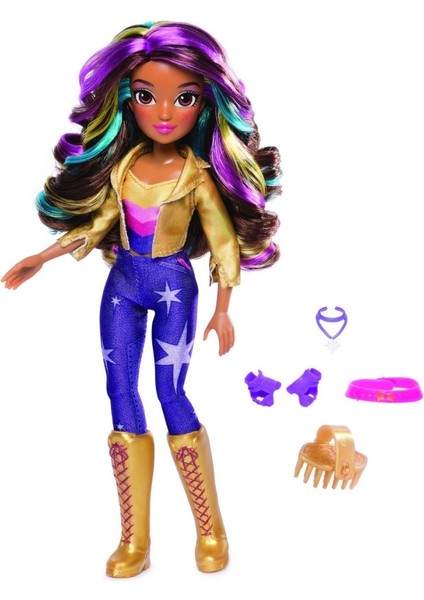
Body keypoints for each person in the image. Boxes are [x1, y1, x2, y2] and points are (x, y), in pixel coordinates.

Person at [2, 21, 281, 578]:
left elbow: (224, 241)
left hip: (174, 286)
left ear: (205, 105)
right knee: (120, 393)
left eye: (184, 98)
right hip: (123, 286)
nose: (165, 112)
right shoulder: (125, 167)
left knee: (170, 392)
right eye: (147, 96)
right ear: (128, 100)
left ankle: (211, 528)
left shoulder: (198, 176)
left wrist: (224, 308)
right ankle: (135, 538)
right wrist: (43, 256)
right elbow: (98, 224)